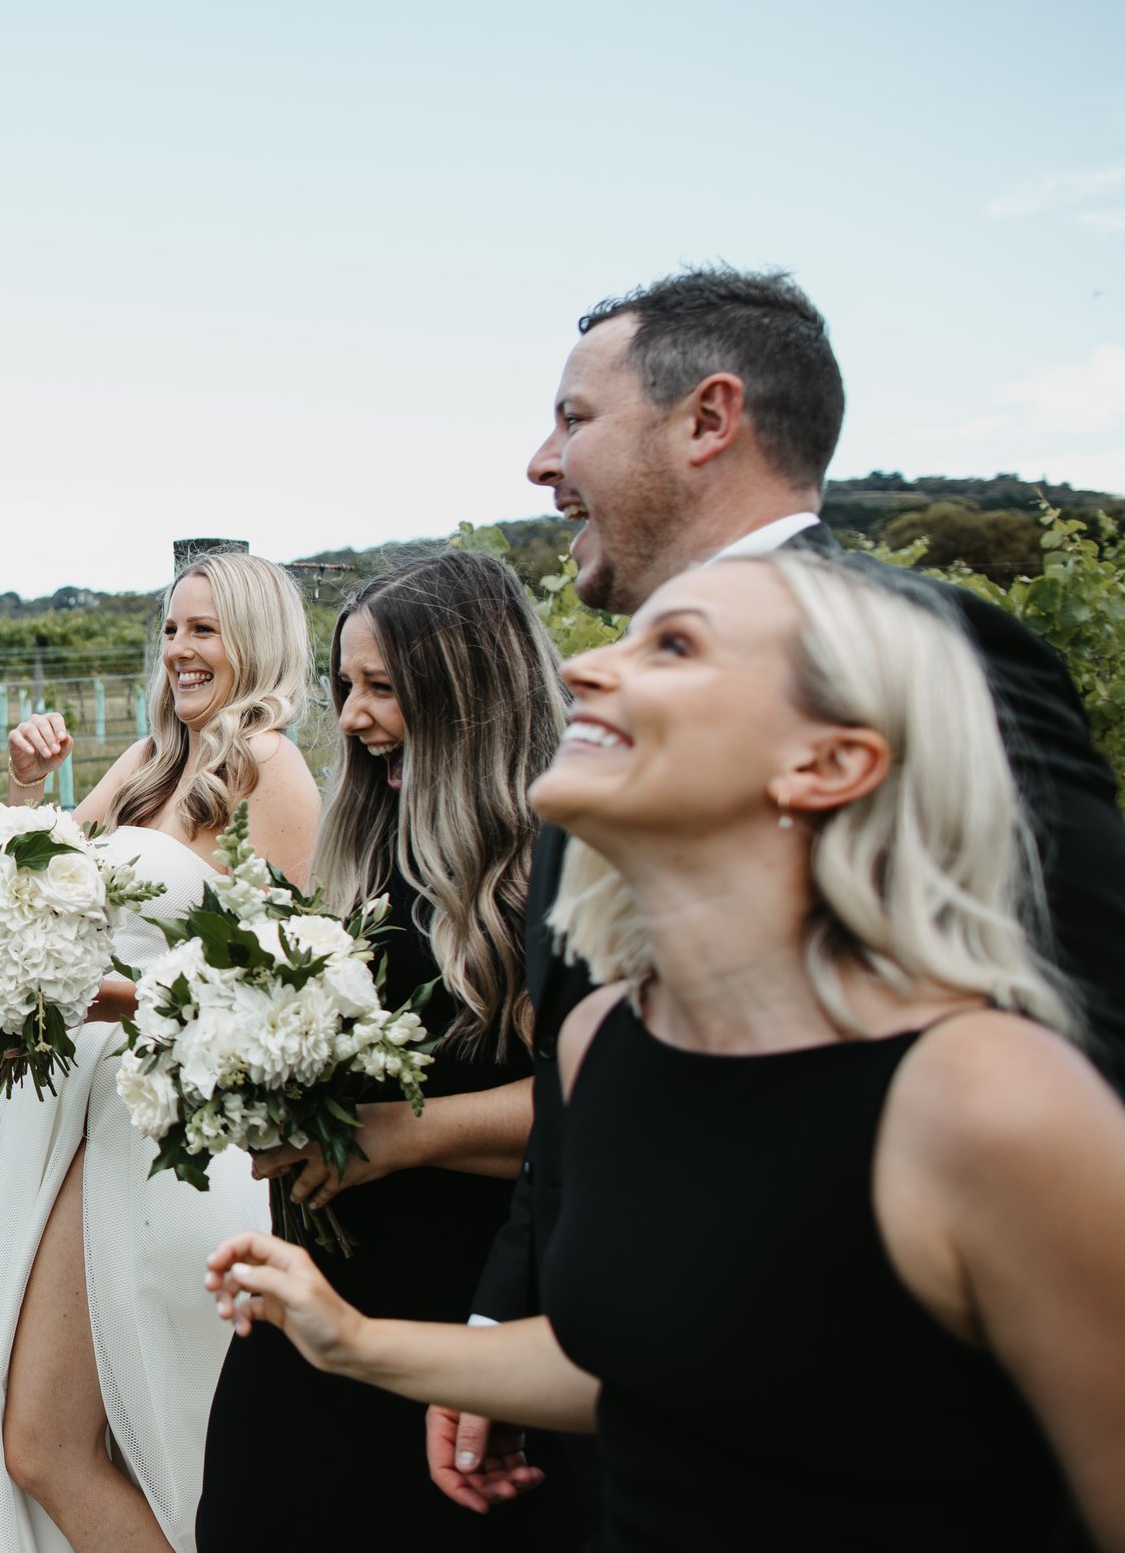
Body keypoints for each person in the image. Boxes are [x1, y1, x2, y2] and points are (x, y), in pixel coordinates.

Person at [212, 553, 1125, 1553]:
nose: (589, 667)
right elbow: (638, 1358)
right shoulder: (613, 1037)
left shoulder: (994, 1100)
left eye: (675, 645)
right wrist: (357, 1341)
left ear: (827, 763)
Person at [443, 268, 1125, 1531]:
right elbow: (586, 1083)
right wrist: (512, 1313)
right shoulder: (614, 741)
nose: (541, 462)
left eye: (572, 417)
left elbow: (1090, 1010)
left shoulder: (925, 653)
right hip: (625, 1376)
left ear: (708, 419)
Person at [0, 551, 319, 1553]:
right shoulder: (144, 763)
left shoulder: (272, 768)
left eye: (203, 629)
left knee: (165, 1434)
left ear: (255, 640)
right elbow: (29, 890)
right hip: (77, 1110)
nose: (178, 649)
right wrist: (28, 788)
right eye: (169, 629)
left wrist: (118, 997)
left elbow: (286, 988)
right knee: (41, 1437)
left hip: (184, 1129)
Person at [194, 551, 559, 1551]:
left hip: (463, 1298)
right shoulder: (371, 850)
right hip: (319, 1285)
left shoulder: (547, 869)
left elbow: (591, 1109)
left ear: (473, 690)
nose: (352, 716)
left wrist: (402, 1134)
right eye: (346, 686)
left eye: (383, 688)